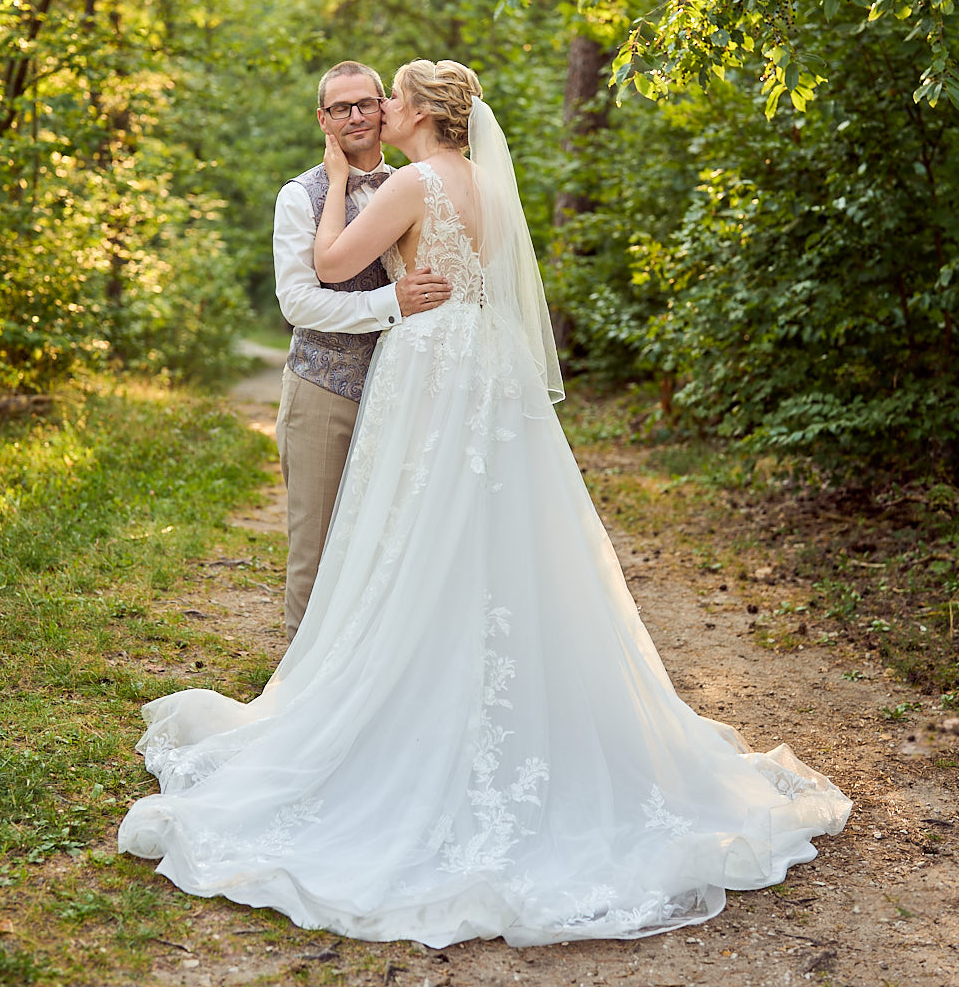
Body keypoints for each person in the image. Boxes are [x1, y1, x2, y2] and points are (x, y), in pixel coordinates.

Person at [118, 60, 851, 947]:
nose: (379, 109)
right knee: (489, 541)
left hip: (430, 367)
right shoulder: (488, 187)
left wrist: (346, 181)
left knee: (414, 539)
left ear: (423, 113)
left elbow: (329, 261)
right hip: (485, 367)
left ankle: (399, 712)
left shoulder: (415, 181)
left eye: (390, 97)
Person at [272, 60, 450, 638]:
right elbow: (298, 304)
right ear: (322, 119)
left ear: (384, 107)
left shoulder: (418, 182)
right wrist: (391, 303)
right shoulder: (300, 195)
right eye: (340, 108)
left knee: (386, 547)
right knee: (317, 547)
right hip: (327, 389)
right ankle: (296, 692)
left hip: (402, 395)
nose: (355, 116)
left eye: (366, 103)